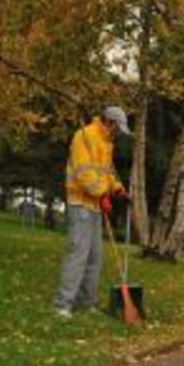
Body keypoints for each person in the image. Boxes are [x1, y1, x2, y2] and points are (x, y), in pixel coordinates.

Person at [53, 107, 131, 318]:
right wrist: (102, 193)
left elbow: (106, 172)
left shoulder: (106, 143)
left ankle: (86, 304)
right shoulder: (84, 136)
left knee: (94, 257)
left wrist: (117, 188)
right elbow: (83, 174)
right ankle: (62, 305)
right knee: (78, 254)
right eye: (118, 128)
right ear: (110, 122)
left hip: (95, 205)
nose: (119, 133)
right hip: (80, 204)